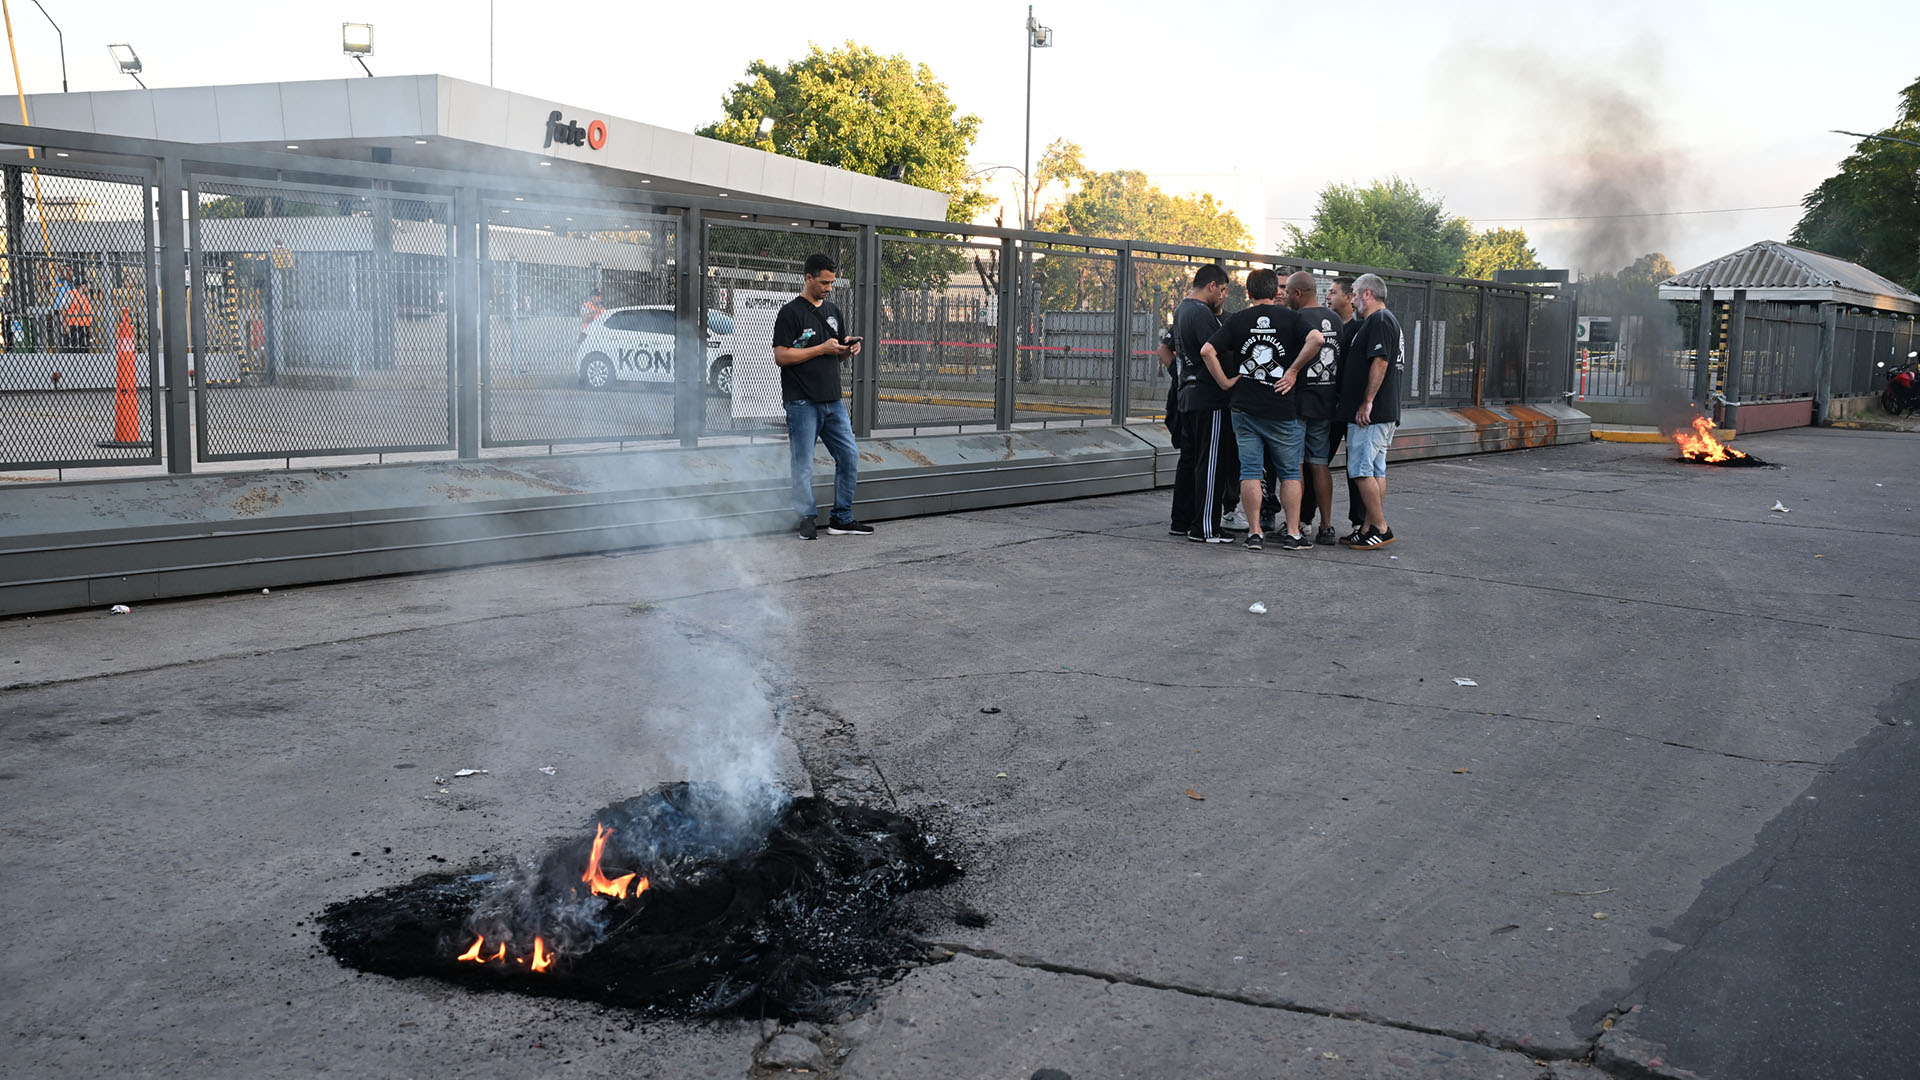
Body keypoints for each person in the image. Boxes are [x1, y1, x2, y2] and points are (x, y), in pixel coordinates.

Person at [1199, 268, 1323, 551]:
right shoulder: (1293, 319)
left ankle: (1255, 533)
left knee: (1250, 471)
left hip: (1244, 408)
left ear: (1249, 293)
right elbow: (1317, 339)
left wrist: (1226, 382)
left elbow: (1207, 351)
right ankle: (1293, 533)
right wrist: (1291, 371)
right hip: (1281, 407)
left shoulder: (1238, 320)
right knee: (1291, 472)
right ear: (1276, 292)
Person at [774, 253, 870, 541]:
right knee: (802, 462)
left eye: (832, 282)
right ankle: (806, 517)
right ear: (808, 278)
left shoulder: (832, 310)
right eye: (824, 282)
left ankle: (841, 518)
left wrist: (848, 349)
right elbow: (781, 356)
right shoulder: (790, 313)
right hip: (802, 401)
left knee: (849, 456)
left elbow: (836, 350)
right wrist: (820, 349)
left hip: (833, 401)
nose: (829, 287)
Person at [1337, 272, 1404, 549]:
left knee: (1361, 470)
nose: (1351, 298)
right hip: (1383, 412)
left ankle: (1380, 527)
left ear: (1367, 293)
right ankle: (1366, 527)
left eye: (1354, 292)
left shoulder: (1379, 320)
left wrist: (1367, 402)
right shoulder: (1384, 320)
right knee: (1375, 470)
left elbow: (1380, 362)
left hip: (1372, 414)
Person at [1170, 265, 1235, 543]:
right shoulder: (1201, 313)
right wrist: (1226, 382)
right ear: (1212, 286)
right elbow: (1211, 351)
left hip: (1187, 395)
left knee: (1188, 461)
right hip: (1209, 398)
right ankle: (1206, 527)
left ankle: (1181, 521)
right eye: (1222, 290)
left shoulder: (1181, 310)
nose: (1222, 297)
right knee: (1209, 464)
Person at [1283, 272, 1345, 545]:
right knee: (1320, 463)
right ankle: (1327, 525)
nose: (1284, 296)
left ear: (1298, 294)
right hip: (1326, 401)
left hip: (1299, 402)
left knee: (1294, 466)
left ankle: (1294, 525)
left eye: (1287, 293)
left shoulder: (1297, 320)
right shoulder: (1335, 319)